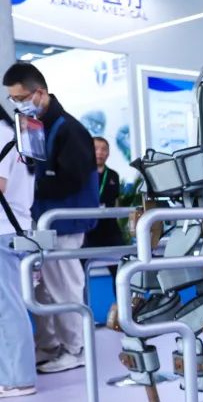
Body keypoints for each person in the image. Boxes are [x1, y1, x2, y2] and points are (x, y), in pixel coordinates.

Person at [4, 62, 99, 374]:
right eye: (12, 99)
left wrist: (30, 184)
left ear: (40, 92)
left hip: (64, 224)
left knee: (64, 287)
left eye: (21, 98)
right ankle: (48, 346)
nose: (18, 104)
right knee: (40, 290)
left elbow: (72, 179)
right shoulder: (32, 128)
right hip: (39, 224)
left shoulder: (70, 129)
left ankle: (76, 348)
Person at [0, 106, 37, 397]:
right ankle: (11, 376)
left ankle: (18, 379)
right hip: (15, 228)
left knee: (8, 307)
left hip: (3, 229)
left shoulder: (2, 134)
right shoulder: (14, 134)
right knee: (9, 305)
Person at [83, 136, 124, 279]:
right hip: (88, 228)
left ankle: (122, 294)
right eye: (96, 149)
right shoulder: (83, 174)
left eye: (104, 149)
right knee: (80, 270)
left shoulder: (113, 175)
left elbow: (116, 201)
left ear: (108, 153)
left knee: (121, 269)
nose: (100, 152)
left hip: (109, 228)